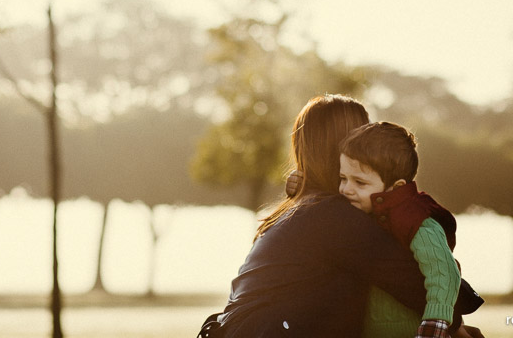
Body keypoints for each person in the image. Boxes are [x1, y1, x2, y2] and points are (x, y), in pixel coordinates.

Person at [198, 94, 482, 338]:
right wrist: (459, 325)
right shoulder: (333, 217)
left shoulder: (302, 208)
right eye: (363, 135)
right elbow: (414, 280)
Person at [339, 121, 463, 338]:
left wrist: (434, 324)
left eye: (360, 182)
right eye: (342, 178)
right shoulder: (360, 213)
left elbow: (444, 271)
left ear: (396, 187)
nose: (346, 189)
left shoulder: (416, 220)